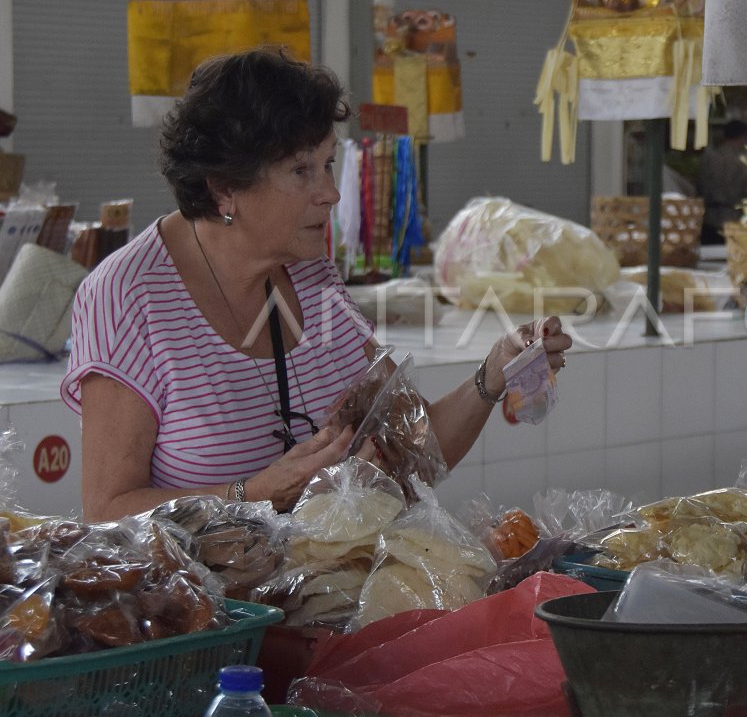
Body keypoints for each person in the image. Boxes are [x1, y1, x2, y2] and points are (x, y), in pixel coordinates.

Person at [61, 48, 571, 521]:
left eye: (327, 164)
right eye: (300, 170)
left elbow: (417, 449)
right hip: (210, 609)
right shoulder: (128, 295)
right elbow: (107, 509)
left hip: (325, 599)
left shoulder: (310, 272)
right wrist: (253, 495)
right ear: (224, 188)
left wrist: (493, 374)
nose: (329, 193)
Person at [696, 119, 747, 244]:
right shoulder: (746, 161)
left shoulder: (709, 157)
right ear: (743, 136)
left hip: (708, 219)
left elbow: (699, 186)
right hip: (734, 220)